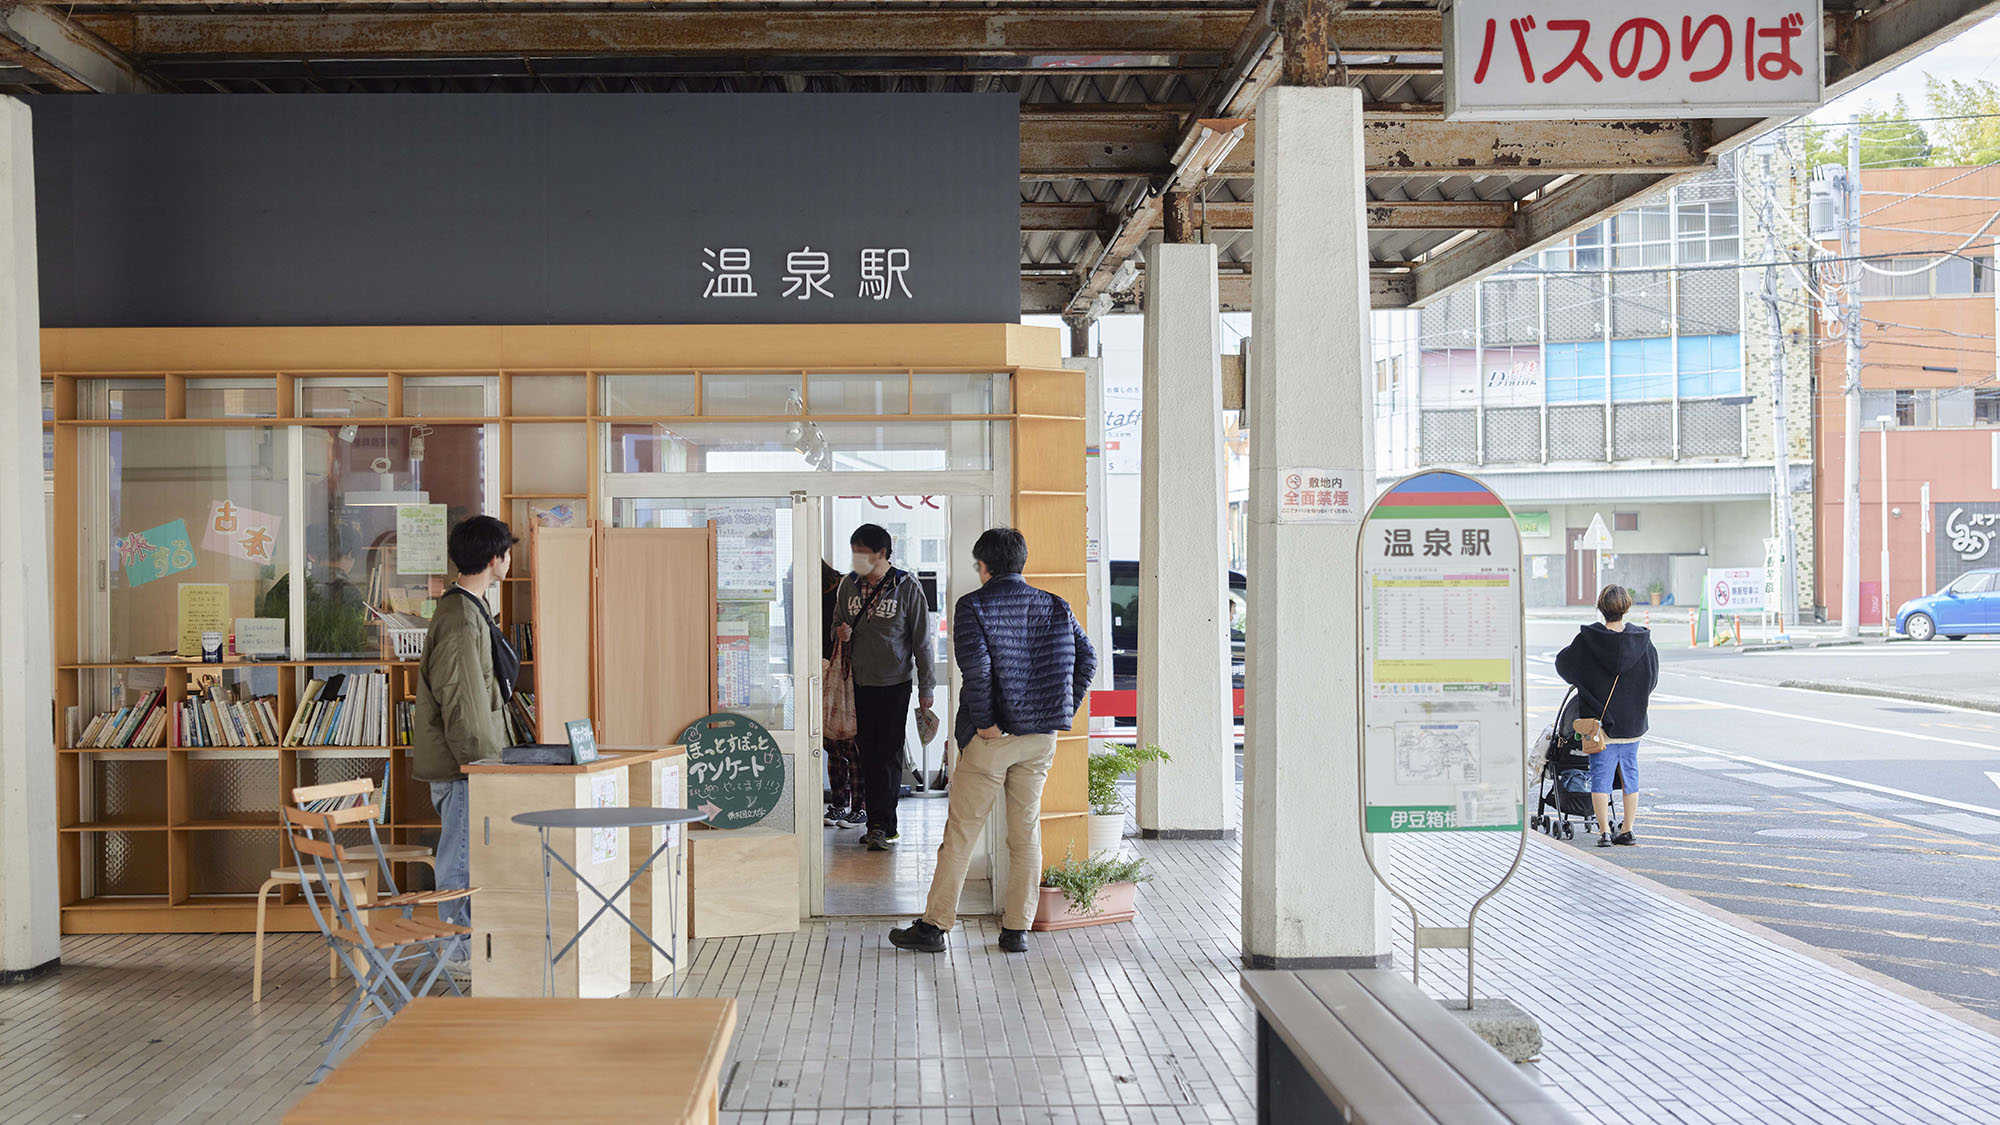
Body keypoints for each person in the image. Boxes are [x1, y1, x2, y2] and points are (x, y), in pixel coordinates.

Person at [891, 527, 1097, 955]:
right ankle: (1017, 930)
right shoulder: (1056, 606)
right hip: (1040, 738)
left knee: (962, 834)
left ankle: (935, 926)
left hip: (993, 739)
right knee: (1025, 835)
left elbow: (978, 672)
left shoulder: (974, 606)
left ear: (984, 565)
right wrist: (1059, 712)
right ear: (1020, 562)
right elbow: (1087, 658)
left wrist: (985, 724)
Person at [410, 515, 519, 981]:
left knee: (465, 855)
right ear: (494, 560)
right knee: (459, 859)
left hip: (471, 763)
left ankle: (461, 947)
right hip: (465, 766)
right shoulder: (459, 616)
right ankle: (454, 955)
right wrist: (481, 765)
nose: (509, 561)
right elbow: (463, 699)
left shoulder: (470, 607)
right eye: (507, 553)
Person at [832, 524, 934, 851]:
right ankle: (876, 820)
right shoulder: (848, 586)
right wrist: (841, 632)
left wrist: (926, 687)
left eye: (863, 552)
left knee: (887, 755)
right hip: (857, 682)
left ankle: (882, 825)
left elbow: (923, 642)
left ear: (882, 553)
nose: (857, 558)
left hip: (895, 682)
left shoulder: (906, 586)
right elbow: (836, 623)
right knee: (866, 753)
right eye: (854, 551)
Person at [1555, 583, 1658, 848]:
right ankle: (1627, 830)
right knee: (1630, 774)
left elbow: (1563, 665)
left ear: (1600, 608)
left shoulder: (1589, 641)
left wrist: (1587, 685)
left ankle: (1603, 832)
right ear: (1626, 607)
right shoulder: (1643, 642)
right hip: (1633, 724)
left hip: (1600, 725)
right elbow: (1652, 679)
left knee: (1600, 775)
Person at [821, 560, 865, 830]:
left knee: (852, 743)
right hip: (825, 670)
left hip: (848, 672)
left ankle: (858, 807)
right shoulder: (814, 591)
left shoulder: (847, 588)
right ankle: (839, 804)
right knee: (831, 743)